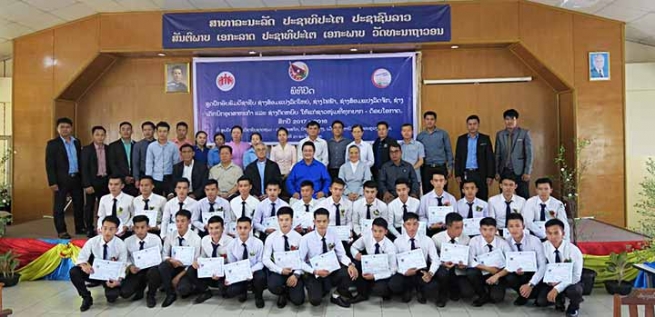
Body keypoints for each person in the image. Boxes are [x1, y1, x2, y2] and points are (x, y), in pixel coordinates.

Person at [298, 208, 358, 308]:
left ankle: (336, 295)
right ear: (314, 222)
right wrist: (314, 271)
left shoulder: (333, 234)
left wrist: (350, 264)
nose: (321, 224)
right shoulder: (306, 239)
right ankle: (320, 288)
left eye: (324, 221)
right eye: (318, 221)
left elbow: (341, 254)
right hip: (315, 273)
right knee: (315, 301)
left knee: (350, 272)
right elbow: (300, 261)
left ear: (328, 221)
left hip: (331, 269)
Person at [69, 215, 127, 311]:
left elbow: (123, 265)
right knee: (74, 272)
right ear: (101, 228)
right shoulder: (93, 241)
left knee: (112, 297)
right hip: (95, 272)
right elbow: (81, 258)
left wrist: (118, 280)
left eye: (111, 229)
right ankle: (86, 297)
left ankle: (110, 291)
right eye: (105, 228)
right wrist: (84, 265)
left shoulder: (121, 245)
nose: (107, 232)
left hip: (110, 276)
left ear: (116, 230)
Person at [388, 212, 440, 304]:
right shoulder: (397, 241)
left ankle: (420, 290)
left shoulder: (427, 240)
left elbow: (435, 259)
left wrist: (430, 273)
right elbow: (393, 263)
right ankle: (407, 289)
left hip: (421, 271)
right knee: (393, 284)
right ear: (403, 225)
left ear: (418, 225)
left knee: (433, 287)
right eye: (408, 224)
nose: (412, 228)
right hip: (405, 272)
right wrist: (404, 272)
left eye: (415, 224)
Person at [537, 219, 584, 317]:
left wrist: (557, 288)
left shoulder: (573, 251)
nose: (553, 236)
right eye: (549, 233)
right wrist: (548, 281)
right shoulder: (542, 247)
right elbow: (540, 268)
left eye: (556, 233)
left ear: (563, 233)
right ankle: (559, 299)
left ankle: (574, 307)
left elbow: (576, 276)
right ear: (546, 234)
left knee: (575, 291)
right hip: (551, 281)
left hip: (571, 281)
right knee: (541, 301)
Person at [46, 117, 84, 238]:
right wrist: (52, 182)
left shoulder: (77, 142)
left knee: (79, 204)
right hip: (61, 180)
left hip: (76, 178)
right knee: (59, 206)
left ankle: (80, 227)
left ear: (71, 128)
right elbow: (49, 164)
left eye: (67, 127)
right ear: (57, 129)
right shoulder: (52, 144)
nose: (65, 129)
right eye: (62, 127)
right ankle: (61, 230)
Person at [183, 215, 233, 304]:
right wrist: (197, 262)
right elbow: (202, 256)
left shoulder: (231, 242)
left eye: (217, 228)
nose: (213, 231)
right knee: (191, 269)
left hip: (224, 272)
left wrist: (221, 272)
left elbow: (232, 263)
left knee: (226, 293)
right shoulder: (205, 240)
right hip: (209, 269)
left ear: (223, 228)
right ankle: (205, 291)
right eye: (211, 228)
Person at [158, 209, 202, 307]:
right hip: (173, 265)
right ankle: (170, 294)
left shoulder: (196, 238)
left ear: (189, 222)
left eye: (183, 221)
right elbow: (164, 255)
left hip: (187, 270)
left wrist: (179, 277)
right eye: (177, 221)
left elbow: (195, 261)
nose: (179, 224)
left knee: (183, 290)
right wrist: (171, 260)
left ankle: (189, 287)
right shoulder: (170, 236)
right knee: (163, 265)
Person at [263, 207, 305, 308]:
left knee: (298, 301)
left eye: (287, 219)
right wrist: (280, 270)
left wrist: (296, 275)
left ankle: (292, 287)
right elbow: (265, 259)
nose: (284, 223)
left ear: (292, 220)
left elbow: (304, 259)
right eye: (281, 220)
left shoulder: (299, 238)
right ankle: (283, 293)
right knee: (272, 285)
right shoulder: (271, 237)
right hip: (279, 271)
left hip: (294, 271)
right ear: (277, 221)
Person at [502, 213, 547, 306]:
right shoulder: (506, 242)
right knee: (509, 277)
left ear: (523, 226)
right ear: (507, 228)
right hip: (518, 273)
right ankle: (523, 295)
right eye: (511, 226)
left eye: (517, 226)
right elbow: (507, 262)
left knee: (540, 301)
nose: (514, 229)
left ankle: (531, 290)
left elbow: (542, 265)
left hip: (534, 272)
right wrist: (514, 269)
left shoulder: (534, 241)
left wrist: (531, 284)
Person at [466, 217, 511, 306]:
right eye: (484, 229)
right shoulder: (474, 241)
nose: (488, 233)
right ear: (480, 230)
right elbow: (470, 260)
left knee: (497, 298)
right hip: (481, 272)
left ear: (496, 230)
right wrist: (487, 268)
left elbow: (511, 263)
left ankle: (492, 288)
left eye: (491, 229)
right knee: (471, 272)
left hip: (497, 273)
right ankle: (482, 294)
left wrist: (497, 275)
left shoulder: (503, 243)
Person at [349, 218, 397, 303]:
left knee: (380, 289)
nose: (377, 234)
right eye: (374, 231)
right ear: (371, 230)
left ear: (386, 232)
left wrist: (375, 276)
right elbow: (353, 247)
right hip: (370, 265)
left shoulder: (390, 247)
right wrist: (356, 254)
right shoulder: (367, 237)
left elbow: (393, 270)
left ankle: (385, 292)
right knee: (355, 264)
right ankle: (362, 294)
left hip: (382, 271)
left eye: (380, 231)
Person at [120, 215, 163, 308]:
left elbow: (160, 255)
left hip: (152, 269)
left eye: (142, 227)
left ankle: (151, 295)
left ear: (148, 227)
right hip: (136, 270)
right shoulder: (127, 241)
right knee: (125, 293)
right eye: (137, 227)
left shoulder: (155, 239)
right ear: (133, 228)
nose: (140, 230)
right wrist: (130, 266)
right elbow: (124, 258)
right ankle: (140, 288)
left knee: (154, 272)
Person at [432, 212, 473, 307]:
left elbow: (469, 257)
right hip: (443, 268)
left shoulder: (466, 239)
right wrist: (442, 263)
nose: (460, 230)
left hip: (459, 270)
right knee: (443, 274)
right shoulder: (436, 238)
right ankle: (442, 296)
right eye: (457, 228)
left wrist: (465, 264)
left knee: (468, 293)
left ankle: (454, 290)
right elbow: (433, 257)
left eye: (462, 227)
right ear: (448, 227)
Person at [225, 217, 267, 308]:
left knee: (261, 277)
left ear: (250, 229)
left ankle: (258, 296)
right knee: (230, 291)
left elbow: (261, 262)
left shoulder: (258, 243)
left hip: (254, 270)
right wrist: (231, 276)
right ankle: (242, 291)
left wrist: (250, 271)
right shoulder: (231, 245)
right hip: (240, 272)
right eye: (240, 228)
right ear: (236, 229)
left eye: (245, 228)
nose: (242, 231)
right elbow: (232, 264)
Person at [495, 109, 533, 199]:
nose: (510, 121)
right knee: (504, 197)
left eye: (512, 119)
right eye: (507, 119)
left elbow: (529, 154)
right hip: (504, 170)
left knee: (524, 197)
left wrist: (527, 172)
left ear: (516, 120)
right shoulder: (500, 134)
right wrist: (496, 172)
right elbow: (497, 154)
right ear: (504, 120)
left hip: (520, 172)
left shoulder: (524, 133)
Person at [455, 115, 495, 200]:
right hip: (466, 173)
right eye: (470, 124)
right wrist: (457, 174)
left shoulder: (485, 139)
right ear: (467, 125)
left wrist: (490, 175)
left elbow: (490, 158)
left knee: (482, 196)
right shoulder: (461, 139)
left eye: (474, 124)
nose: (472, 126)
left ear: (478, 125)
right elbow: (458, 158)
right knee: (466, 197)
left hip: (481, 173)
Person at [81, 126, 109, 238]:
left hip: (106, 181)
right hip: (92, 181)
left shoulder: (108, 148)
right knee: (90, 206)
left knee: (105, 206)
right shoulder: (86, 150)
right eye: (97, 134)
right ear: (93, 135)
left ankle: (105, 227)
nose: (100, 137)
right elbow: (84, 168)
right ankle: (89, 228)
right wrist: (87, 184)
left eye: (102, 135)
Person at [417, 111, 454, 194]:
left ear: (435, 121)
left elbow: (448, 151)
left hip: (440, 167)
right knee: (427, 192)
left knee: (442, 192)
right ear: (424, 120)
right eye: (427, 119)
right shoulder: (420, 136)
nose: (429, 121)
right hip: (427, 168)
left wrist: (450, 167)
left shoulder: (443, 134)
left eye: (432, 119)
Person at [146, 121, 180, 197]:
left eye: (164, 131)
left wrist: (176, 177)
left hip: (169, 177)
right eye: (160, 131)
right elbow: (149, 163)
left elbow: (176, 163)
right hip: (156, 177)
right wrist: (148, 178)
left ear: (168, 132)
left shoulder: (173, 146)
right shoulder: (151, 146)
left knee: (170, 199)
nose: (162, 133)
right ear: (156, 132)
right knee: (156, 200)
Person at [420, 171, 457, 237]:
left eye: (441, 180)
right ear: (432, 182)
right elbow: (421, 216)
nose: (438, 183)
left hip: (447, 230)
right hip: (431, 229)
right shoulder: (424, 198)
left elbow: (455, 215)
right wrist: (430, 225)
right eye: (436, 180)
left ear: (445, 182)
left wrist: (449, 210)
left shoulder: (451, 198)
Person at [108, 121, 137, 196]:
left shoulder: (137, 145)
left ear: (132, 131)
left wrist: (135, 177)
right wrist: (124, 178)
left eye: (128, 129)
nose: (126, 131)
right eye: (123, 129)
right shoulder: (113, 146)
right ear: (119, 131)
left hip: (134, 181)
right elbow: (112, 164)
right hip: (119, 181)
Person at [400, 123, 425, 188]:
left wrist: (410, 169)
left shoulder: (418, 145)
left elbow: (421, 161)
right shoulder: (399, 146)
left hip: (415, 175)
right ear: (401, 132)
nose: (406, 133)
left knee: (415, 196)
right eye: (404, 131)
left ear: (412, 132)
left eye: (408, 130)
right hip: (401, 176)